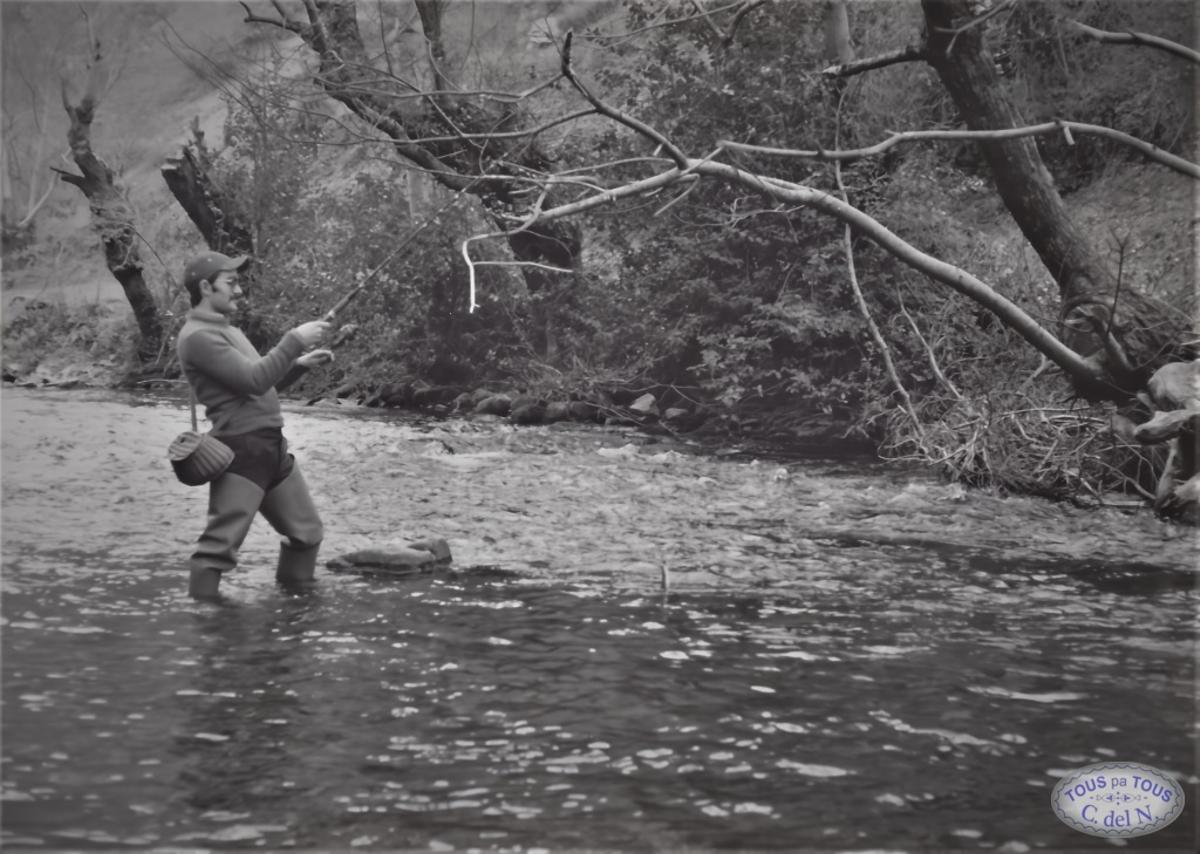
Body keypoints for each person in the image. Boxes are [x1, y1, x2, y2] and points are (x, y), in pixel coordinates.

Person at [176, 251, 334, 600]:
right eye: (230, 283)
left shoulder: (225, 330)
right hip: (241, 453)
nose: (239, 291)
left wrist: (299, 364)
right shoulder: (198, 337)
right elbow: (253, 379)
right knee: (216, 550)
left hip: (270, 448)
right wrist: (293, 340)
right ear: (205, 287)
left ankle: (294, 610)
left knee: (307, 534)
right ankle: (206, 626)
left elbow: (259, 386)